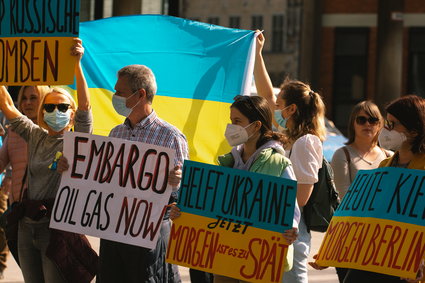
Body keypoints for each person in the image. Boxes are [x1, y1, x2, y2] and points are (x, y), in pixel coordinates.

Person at [171, 95, 300, 283]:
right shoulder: (228, 163)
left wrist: (292, 229)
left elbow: (291, 211)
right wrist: (182, 212)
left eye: (237, 121)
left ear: (256, 125)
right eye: (231, 121)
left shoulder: (279, 163)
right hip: (225, 254)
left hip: (258, 258)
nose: (231, 127)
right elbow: (210, 206)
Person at [0, 38, 97, 283]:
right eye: (50, 108)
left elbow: (85, 104)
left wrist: (77, 64)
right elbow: (8, 105)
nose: (56, 112)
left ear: (73, 114)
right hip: (26, 225)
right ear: (42, 113)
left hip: (57, 228)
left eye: (63, 107)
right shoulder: (35, 135)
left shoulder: (78, 141)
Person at [96, 64, 189, 283]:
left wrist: (177, 181)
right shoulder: (116, 133)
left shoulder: (170, 137)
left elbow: (182, 193)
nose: (115, 96)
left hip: (150, 234)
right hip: (114, 231)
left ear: (140, 95)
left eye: (120, 92)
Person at [254, 32, 326, 283]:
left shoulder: (306, 143)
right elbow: (266, 96)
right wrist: (257, 55)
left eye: (281, 102)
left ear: (292, 109)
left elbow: (302, 197)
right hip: (277, 222)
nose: (275, 106)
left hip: (291, 230)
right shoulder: (290, 136)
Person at [342, 95, 425, 283]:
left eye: (392, 124)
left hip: (409, 261)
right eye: (386, 123)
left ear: (413, 129)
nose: (385, 129)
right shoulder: (385, 166)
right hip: (377, 254)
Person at [308, 101, 392, 282]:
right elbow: (346, 199)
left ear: (380, 124)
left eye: (373, 120)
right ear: (353, 123)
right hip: (351, 238)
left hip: (382, 239)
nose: (368, 124)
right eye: (361, 120)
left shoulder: (390, 157)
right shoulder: (342, 154)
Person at [0, 85, 50, 267]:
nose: (27, 103)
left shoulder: (55, 132)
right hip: (20, 214)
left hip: (48, 216)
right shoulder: (13, 132)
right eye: (24, 98)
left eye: (33, 98)